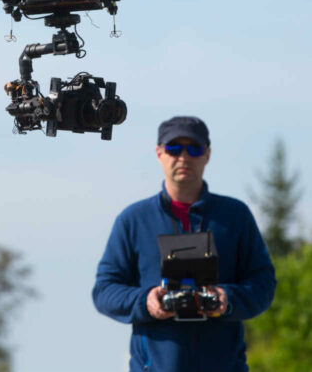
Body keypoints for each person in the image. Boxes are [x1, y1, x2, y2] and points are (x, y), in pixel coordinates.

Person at [92, 116, 276, 372]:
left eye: (194, 149)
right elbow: (104, 291)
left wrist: (227, 299)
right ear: (159, 153)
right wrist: (146, 301)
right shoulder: (134, 220)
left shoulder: (235, 216)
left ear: (207, 154)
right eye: (174, 148)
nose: (184, 157)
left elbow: (263, 284)